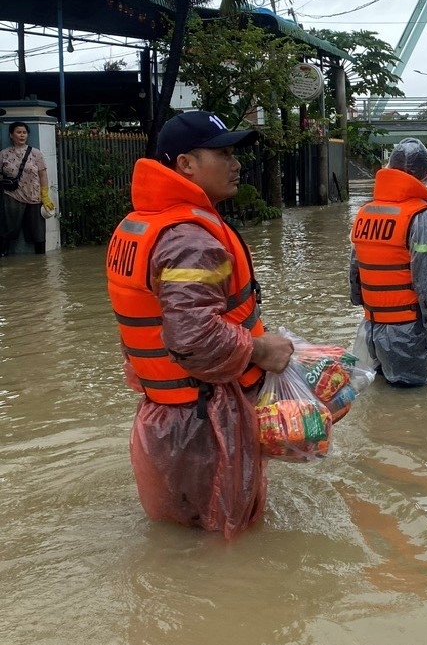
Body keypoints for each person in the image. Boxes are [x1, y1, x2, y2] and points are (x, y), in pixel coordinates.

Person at [105, 110, 293, 539]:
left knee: (184, 540)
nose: (237, 163)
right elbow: (195, 337)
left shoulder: (141, 226)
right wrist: (266, 351)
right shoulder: (189, 238)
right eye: (223, 153)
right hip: (205, 420)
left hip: (165, 415)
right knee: (226, 540)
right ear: (186, 164)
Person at [349, 138, 427, 386]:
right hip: (407, 336)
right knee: (415, 408)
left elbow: (355, 278)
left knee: (383, 405)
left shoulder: (365, 213)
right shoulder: (422, 219)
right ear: (426, 173)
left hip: (371, 330)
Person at [0, 121, 55, 255]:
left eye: (24, 133)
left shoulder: (36, 153)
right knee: (9, 229)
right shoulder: (3, 154)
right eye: (18, 132)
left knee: (38, 233)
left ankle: (41, 263)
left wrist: (45, 195)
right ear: (11, 135)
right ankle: (3, 257)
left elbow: (43, 174)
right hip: (12, 196)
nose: (22, 135)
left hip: (34, 196)